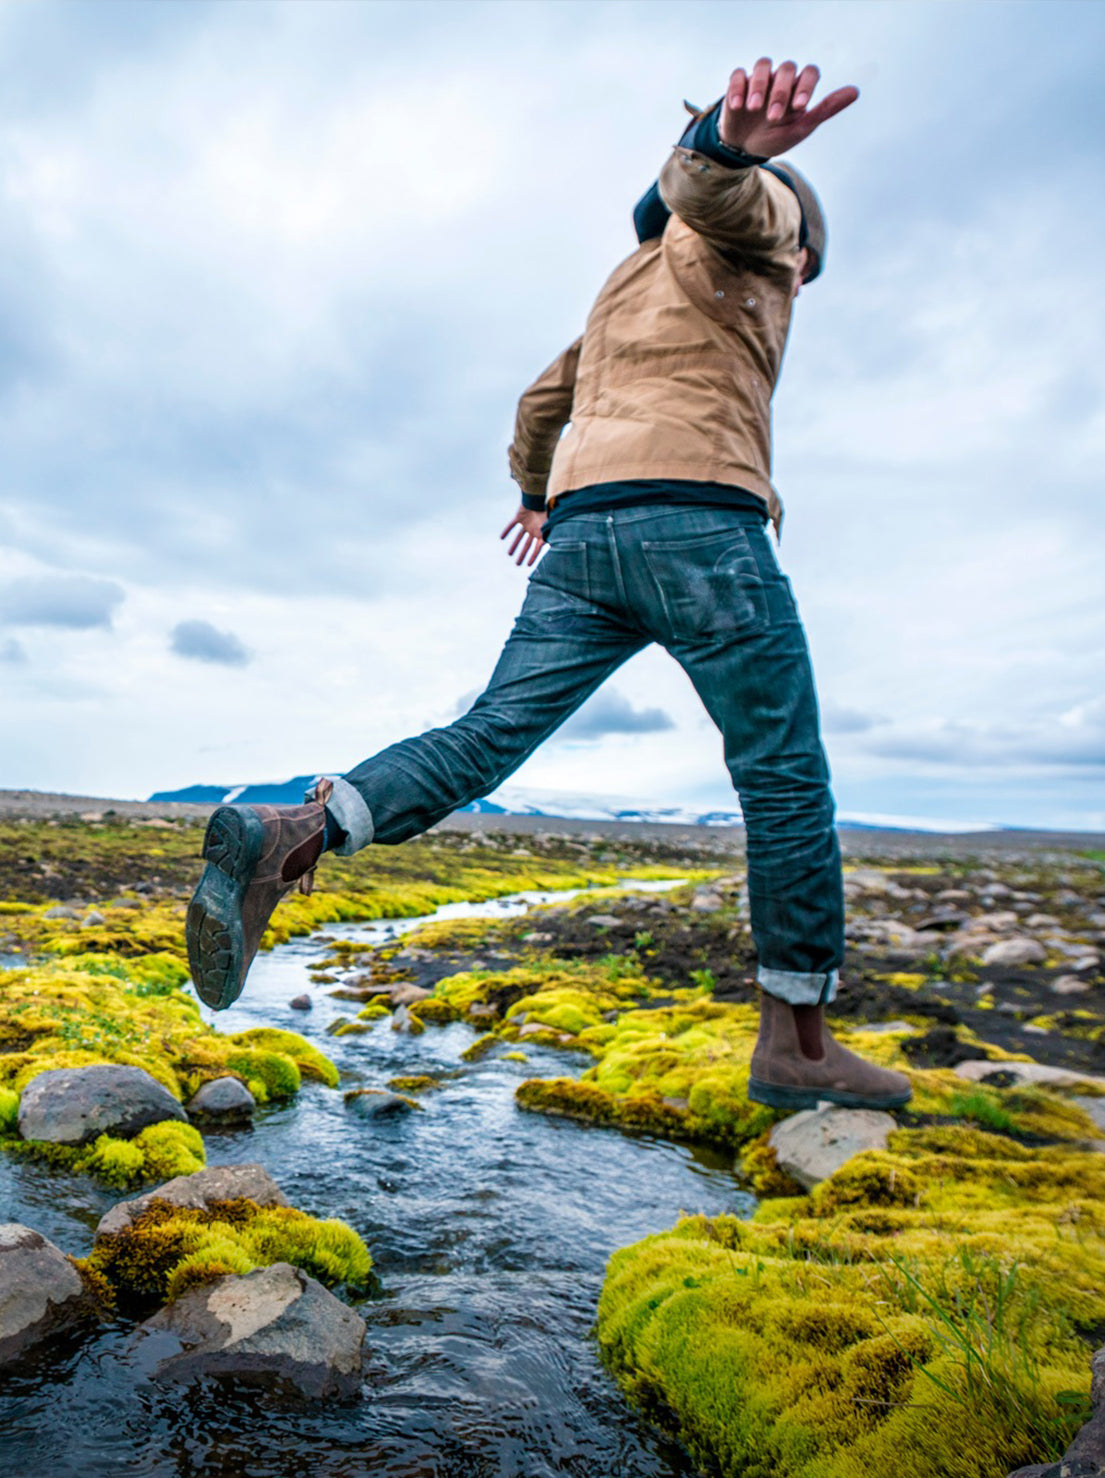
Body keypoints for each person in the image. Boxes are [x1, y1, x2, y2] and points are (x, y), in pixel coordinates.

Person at [187, 59, 912, 1114]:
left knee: (486, 732)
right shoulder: (756, 228)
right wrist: (727, 144)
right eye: (809, 257)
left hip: (583, 536)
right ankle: (796, 1041)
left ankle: (297, 828)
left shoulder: (620, 292)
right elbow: (708, 186)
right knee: (784, 778)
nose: (802, 272)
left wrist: (536, 496)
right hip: (703, 522)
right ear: (798, 244)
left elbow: (539, 403)